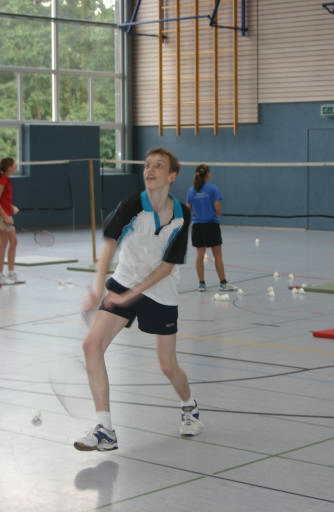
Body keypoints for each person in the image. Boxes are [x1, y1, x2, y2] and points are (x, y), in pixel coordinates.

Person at [74, 147, 202, 452]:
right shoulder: (131, 206)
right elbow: (109, 246)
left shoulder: (182, 214)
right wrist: (99, 289)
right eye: (147, 165)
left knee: (168, 366)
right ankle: (105, 429)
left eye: (159, 166)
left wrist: (131, 296)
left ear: (171, 176)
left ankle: (189, 406)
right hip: (125, 281)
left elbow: (167, 267)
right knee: (91, 345)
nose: (150, 170)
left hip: (161, 291)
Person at [185, 164, 237, 292]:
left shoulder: (192, 190)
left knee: (199, 255)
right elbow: (217, 208)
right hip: (211, 225)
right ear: (208, 174)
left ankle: (201, 284)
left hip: (197, 226)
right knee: (217, 255)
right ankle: (223, 283)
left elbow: (188, 208)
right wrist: (218, 212)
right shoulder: (213, 189)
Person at [0, 157, 21, 283]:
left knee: (13, 241)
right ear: (9, 168)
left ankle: (11, 273)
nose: (16, 167)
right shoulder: (3, 180)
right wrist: (5, 216)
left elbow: (3, 199)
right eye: (14, 165)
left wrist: (12, 207)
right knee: (3, 243)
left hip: (6, 212)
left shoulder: (6, 179)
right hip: (0, 214)